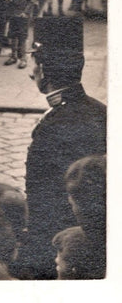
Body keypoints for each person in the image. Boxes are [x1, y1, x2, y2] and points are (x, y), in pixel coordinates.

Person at [18, 16, 106, 280]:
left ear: (43, 69)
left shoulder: (52, 127)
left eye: (33, 61)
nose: (30, 70)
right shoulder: (100, 111)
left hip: (67, 249)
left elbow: (43, 209)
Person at [4, 0, 37, 68]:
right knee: (12, 35)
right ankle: (13, 56)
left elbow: (32, 0)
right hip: (13, 12)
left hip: (24, 13)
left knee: (22, 36)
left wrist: (26, 12)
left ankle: (23, 58)